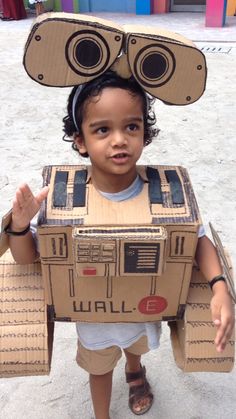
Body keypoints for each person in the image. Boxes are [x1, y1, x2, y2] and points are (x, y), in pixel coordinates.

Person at [8, 71, 235, 419]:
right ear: (79, 140)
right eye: (102, 129)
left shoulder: (166, 196)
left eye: (132, 126)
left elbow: (198, 235)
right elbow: (28, 260)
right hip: (94, 320)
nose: (119, 140)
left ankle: (134, 372)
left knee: (135, 347)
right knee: (98, 370)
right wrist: (21, 227)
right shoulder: (61, 199)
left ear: (145, 132)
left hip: (144, 309)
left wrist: (219, 286)